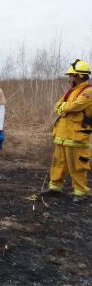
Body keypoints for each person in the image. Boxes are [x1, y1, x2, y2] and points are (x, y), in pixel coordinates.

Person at [41, 59, 92, 203]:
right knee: (58, 163)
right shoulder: (71, 92)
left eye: (71, 75)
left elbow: (74, 107)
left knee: (77, 166)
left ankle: (80, 192)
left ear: (79, 76)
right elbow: (57, 105)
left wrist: (64, 107)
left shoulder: (89, 92)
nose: (69, 78)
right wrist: (64, 107)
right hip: (62, 135)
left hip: (77, 137)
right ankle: (55, 187)